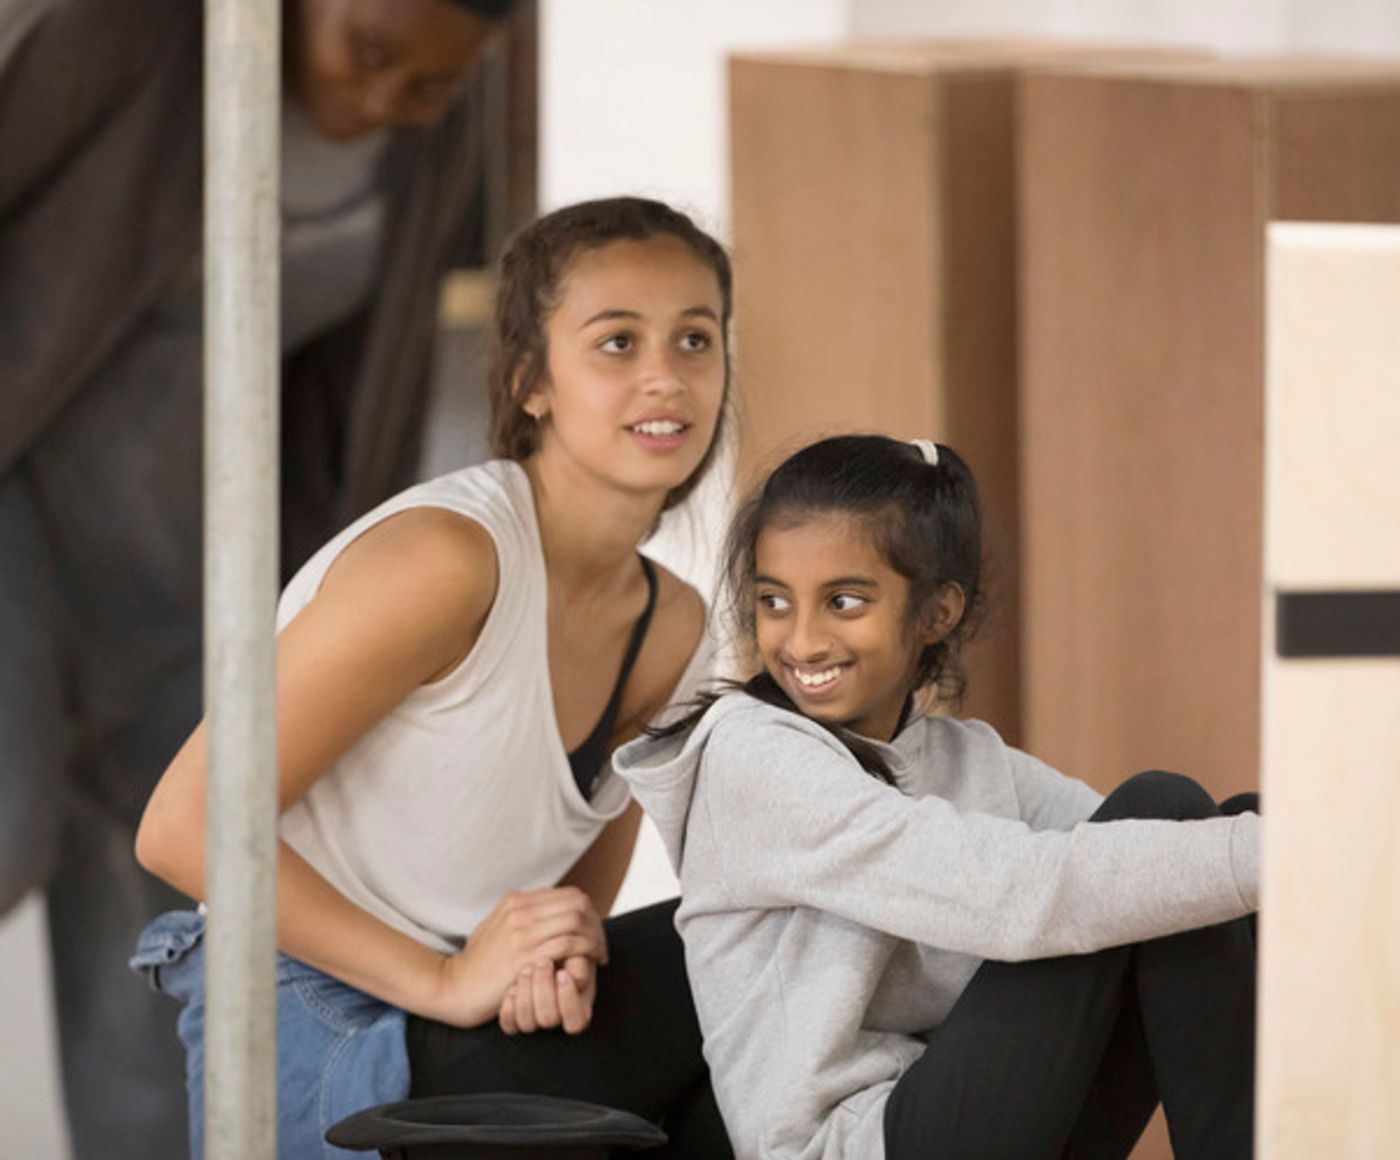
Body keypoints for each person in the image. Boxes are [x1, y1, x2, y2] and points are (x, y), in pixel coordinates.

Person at [1, 0, 510, 1153]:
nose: (385, 101)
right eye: (369, 53)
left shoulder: (429, 133)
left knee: (181, 913)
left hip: (197, 569)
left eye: (426, 84)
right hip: (23, 502)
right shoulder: (122, 35)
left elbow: (364, 384)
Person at [132, 197, 736, 1160]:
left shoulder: (674, 625)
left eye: (695, 339)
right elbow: (182, 827)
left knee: (768, 1000)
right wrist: (445, 986)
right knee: (746, 959)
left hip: (461, 1017)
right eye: (617, 342)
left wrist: (558, 951)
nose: (666, 375)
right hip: (308, 1018)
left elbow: (572, 887)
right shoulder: (450, 560)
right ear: (533, 382)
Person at [615, 434, 1261, 1160]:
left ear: (937, 612)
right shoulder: (752, 757)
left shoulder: (965, 757)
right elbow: (1018, 892)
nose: (802, 641)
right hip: (856, 1146)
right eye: (774, 601)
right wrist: (1287, 854)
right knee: (1180, 820)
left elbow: (1138, 861)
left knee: (1207, 841)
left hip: (973, 1119)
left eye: (844, 601)